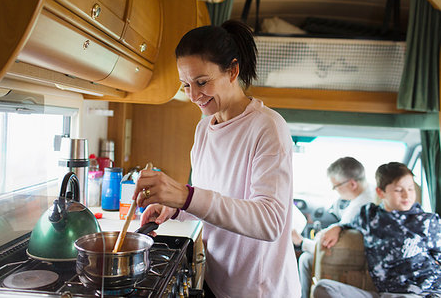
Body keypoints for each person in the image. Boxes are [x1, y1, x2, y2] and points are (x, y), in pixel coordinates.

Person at [132, 20, 301, 298]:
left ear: (233, 71)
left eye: (202, 82)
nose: (194, 96)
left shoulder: (268, 127)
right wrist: (174, 209)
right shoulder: (204, 129)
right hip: (217, 278)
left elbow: (269, 222)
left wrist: (185, 196)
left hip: (258, 290)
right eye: (185, 85)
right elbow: (213, 202)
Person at [314, 162, 441, 297]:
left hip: (422, 294)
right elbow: (348, 223)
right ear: (380, 192)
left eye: (410, 189)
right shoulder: (368, 215)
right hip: (385, 294)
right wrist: (337, 227)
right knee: (323, 288)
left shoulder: (428, 221)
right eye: (399, 190)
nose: (406, 195)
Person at [292, 156, 375, 298]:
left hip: (357, 261)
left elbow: (330, 249)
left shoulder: (358, 208)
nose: (335, 190)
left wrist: (301, 242)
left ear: (352, 184)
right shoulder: (372, 192)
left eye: (336, 186)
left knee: (306, 259)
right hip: (364, 257)